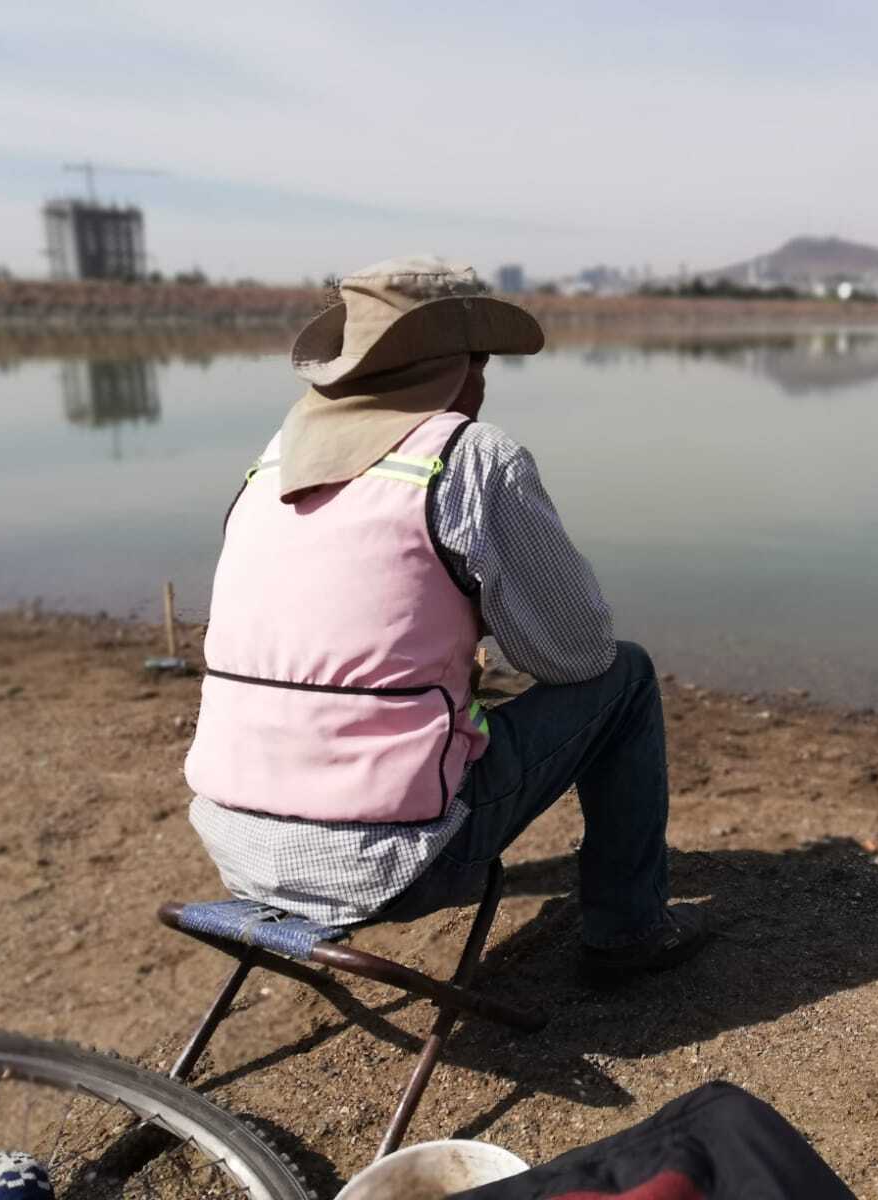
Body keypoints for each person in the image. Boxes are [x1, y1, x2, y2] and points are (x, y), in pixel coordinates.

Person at [184, 256, 708, 982]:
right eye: (480, 358)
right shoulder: (468, 457)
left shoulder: (270, 465)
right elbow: (578, 654)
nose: (485, 377)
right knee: (626, 674)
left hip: (234, 843)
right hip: (394, 861)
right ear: (455, 367)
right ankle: (628, 931)